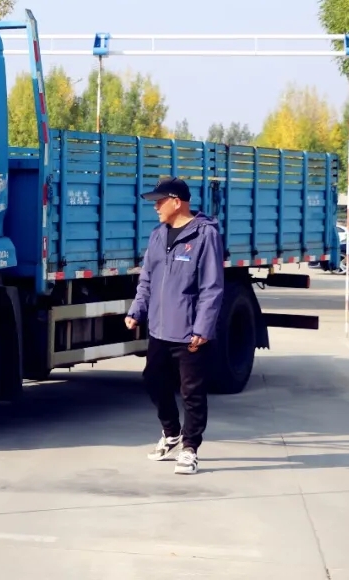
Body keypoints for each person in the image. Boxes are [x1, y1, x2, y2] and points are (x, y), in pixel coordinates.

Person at [125, 176, 225, 475]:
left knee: (192, 392)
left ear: (176, 201)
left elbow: (212, 286)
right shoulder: (158, 235)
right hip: (159, 327)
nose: (155, 207)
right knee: (153, 380)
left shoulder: (204, 235)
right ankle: (171, 432)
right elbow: (147, 279)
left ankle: (191, 448)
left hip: (189, 331)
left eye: (159, 201)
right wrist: (136, 311)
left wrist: (203, 329)